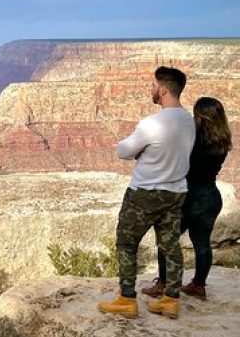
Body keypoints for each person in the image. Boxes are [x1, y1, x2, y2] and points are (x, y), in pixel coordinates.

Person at [98, 66, 195, 319]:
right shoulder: (188, 120)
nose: (150, 89)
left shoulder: (152, 123)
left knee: (126, 243)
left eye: (153, 85)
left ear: (163, 89)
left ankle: (127, 299)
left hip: (145, 193)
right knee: (170, 244)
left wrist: (140, 151)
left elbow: (123, 151)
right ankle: (171, 299)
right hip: (176, 192)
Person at [142, 97, 233, 300]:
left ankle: (163, 283)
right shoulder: (222, 140)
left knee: (167, 240)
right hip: (211, 196)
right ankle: (198, 286)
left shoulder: (192, 141)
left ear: (201, 117)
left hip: (189, 198)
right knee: (202, 243)